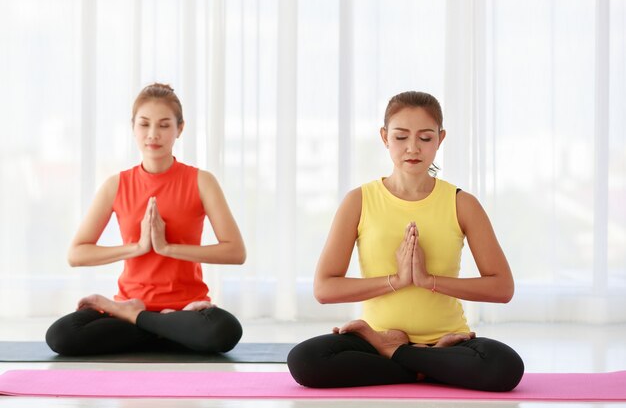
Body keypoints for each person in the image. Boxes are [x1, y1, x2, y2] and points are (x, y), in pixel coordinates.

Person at [287, 91, 524, 392]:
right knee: (306, 360)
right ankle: (423, 364)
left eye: (425, 138)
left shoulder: (462, 203)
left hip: (448, 342)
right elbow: (324, 288)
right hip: (374, 339)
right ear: (385, 137)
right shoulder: (359, 201)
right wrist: (397, 280)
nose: (413, 148)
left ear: (441, 138)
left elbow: (502, 288)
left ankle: (399, 355)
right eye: (401, 137)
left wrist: (428, 280)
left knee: (504, 367)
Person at [46, 83, 246, 356]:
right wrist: (138, 247)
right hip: (133, 304)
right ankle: (153, 325)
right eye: (144, 124)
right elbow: (76, 254)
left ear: (180, 129)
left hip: (185, 310)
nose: (153, 134)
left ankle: (143, 322)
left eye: (164, 125)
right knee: (62, 335)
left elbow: (236, 251)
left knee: (224, 330)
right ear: (133, 128)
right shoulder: (116, 185)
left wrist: (167, 248)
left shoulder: (201, 182)